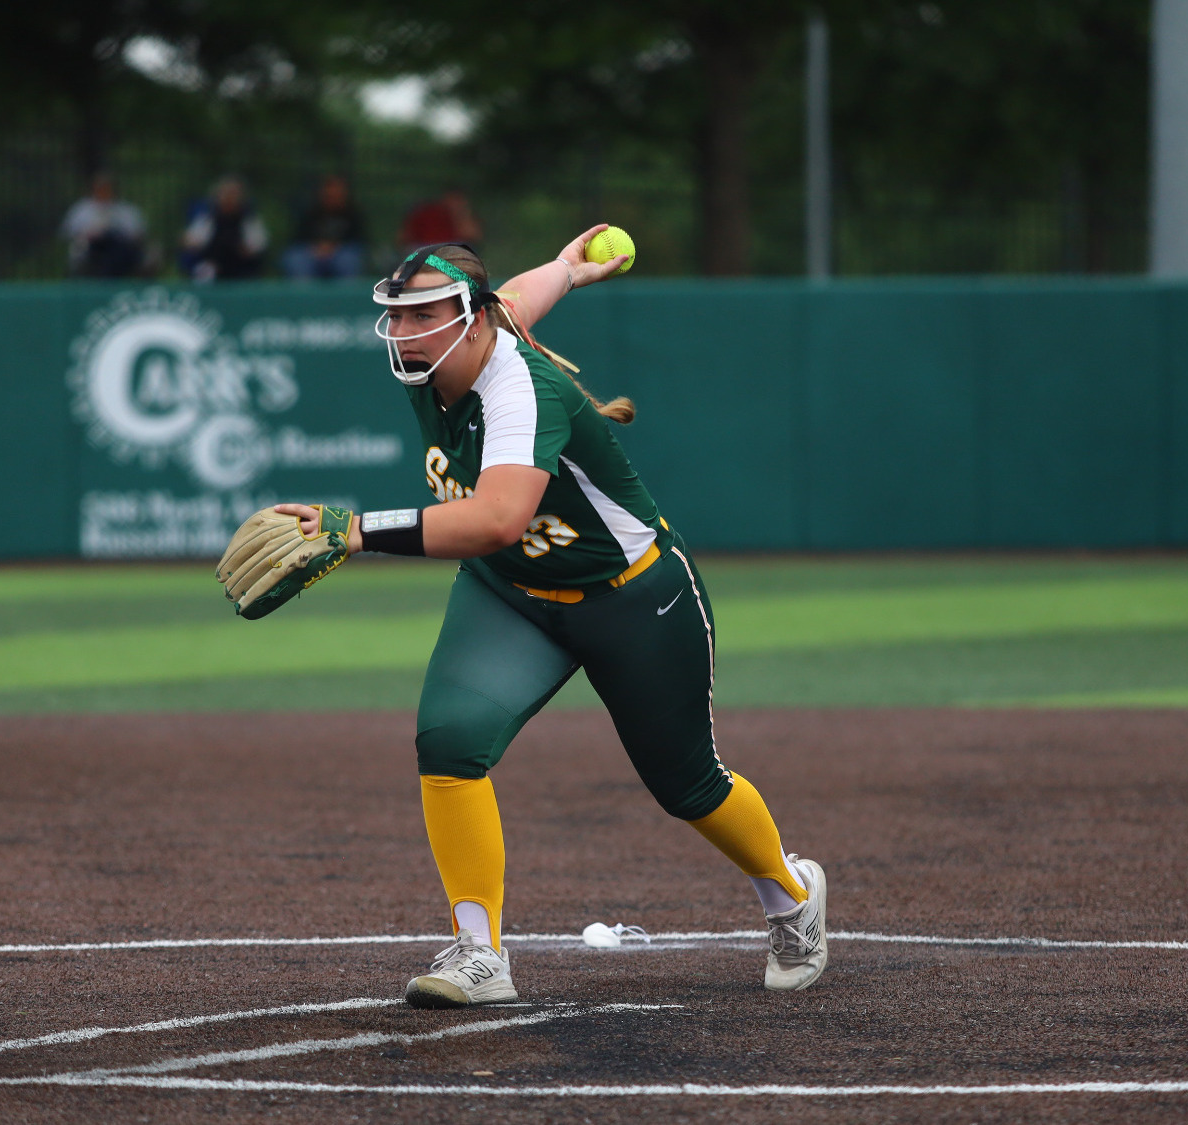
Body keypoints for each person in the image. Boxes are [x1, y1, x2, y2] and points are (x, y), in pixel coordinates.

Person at [268, 229, 830, 1007]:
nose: (401, 329)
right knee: (451, 740)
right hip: (510, 594)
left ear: (469, 317)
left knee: (686, 783)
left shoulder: (521, 386)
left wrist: (357, 530)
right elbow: (517, 297)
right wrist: (568, 268)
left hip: (632, 595)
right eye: (394, 314)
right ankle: (479, 952)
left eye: (420, 312)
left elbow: (498, 518)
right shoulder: (442, 352)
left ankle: (791, 896)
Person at [60, 171, 149, 278]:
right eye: (100, 188)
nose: (104, 191)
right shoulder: (82, 210)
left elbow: (138, 233)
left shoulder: (126, 210)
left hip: (122, 251)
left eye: (107, 188)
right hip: (92, 250)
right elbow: (68, 232)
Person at [280, 173, 368, 280]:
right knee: (295, 258)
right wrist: (317, 248)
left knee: (348, 259)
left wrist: (333, 248)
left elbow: (360, 242)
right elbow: (298, 239)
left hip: (340, 255)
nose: (333, 196)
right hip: (312, 255)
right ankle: (304, 295)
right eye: (329, 193)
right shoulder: (310, 212)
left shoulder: (353, 215)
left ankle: (345, 295)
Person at [181, 175, 268, 282]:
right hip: (210, 264)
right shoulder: (207, 215)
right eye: (226, 193)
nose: (230, 198)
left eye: (234, 194)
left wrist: (248, 249)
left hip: (239, 265)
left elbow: (259, 242)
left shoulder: (248, 217)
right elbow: (190, 240)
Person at [398, 189, 482, 252]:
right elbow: (403, 238)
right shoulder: (426, 212)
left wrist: (459, 214)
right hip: (424, 251)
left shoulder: (462, 215)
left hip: (452, 252)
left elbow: (472, 236)